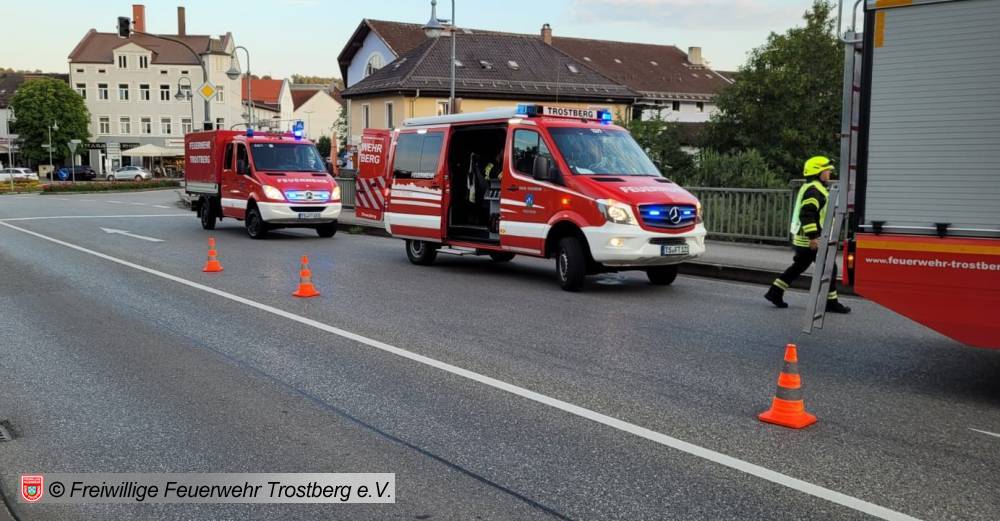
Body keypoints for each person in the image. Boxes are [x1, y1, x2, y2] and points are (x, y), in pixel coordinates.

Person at [765, 155, 851, 313]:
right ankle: (831, 302)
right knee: (829, 268)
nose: (829, 173)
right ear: (817, 172)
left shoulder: (813, 187)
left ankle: (775, 292)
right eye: (827, 170)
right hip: (811, 240)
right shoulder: (814, 190)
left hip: (805, 239)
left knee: (799, 267)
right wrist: (813, 237)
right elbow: (807, 214)